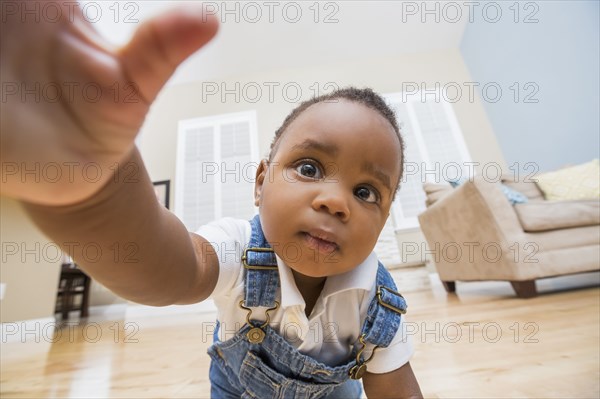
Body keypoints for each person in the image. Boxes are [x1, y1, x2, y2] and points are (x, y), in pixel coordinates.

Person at [1, 2, 422, 398]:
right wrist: (92, 193)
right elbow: (171, 270)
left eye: (365, 192)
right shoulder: (239, 247)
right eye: (309, 168)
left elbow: (397, 387)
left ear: (383, 220)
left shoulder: (376, 303)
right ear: (260, 183)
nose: (335, 202)